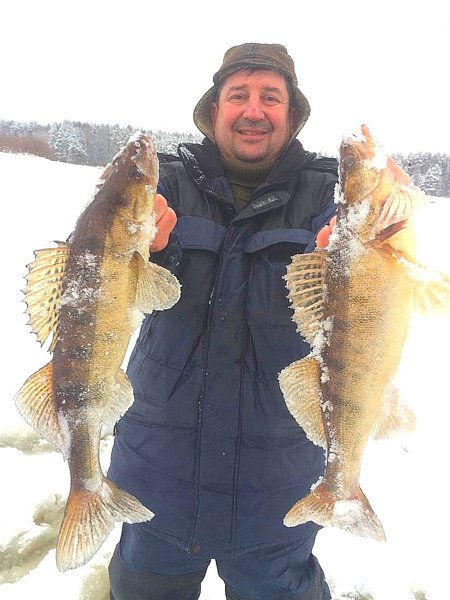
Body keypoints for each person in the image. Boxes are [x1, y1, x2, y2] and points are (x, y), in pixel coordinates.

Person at [108, 43, 338, 600]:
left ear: (292, 114)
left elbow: (380, 262)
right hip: (156, 469)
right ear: (214, 110)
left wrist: (363, 249)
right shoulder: (165, 184)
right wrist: (144, 250)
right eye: (239, 95)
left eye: (270, 97)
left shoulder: (327, 194)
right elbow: (92, 273)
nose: (253, 110)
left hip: (277, 479)